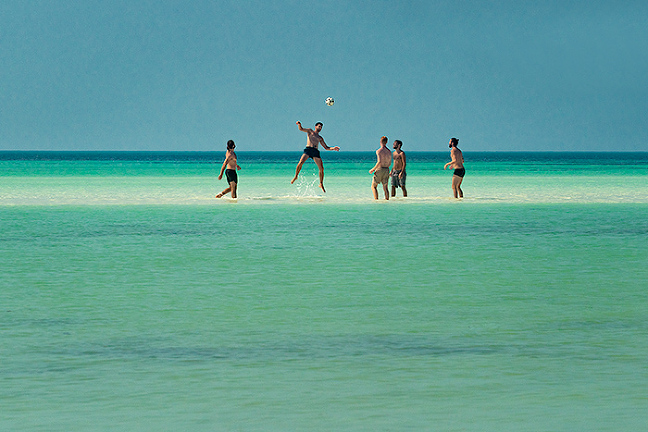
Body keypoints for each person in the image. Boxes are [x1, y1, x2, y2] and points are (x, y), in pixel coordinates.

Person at [291, 121, 340, 192]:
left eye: (321, 127)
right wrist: (299, 124)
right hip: (308, 149)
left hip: (315, 151)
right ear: (315, 126)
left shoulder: (320, 138)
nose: (320, 128)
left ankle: (321, 183)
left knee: (321, 168)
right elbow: (301, 129)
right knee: (300, 162)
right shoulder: (310, 131)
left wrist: (333, 148)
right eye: (319, 126)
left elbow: (326, 147)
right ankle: (296, 176)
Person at [369, 136, 393, 200]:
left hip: (380, 169)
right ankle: (387, 200)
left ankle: (376, 200)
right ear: (386, 142)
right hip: (386, 169)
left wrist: (373, 169)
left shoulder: (379, 151)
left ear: (380, 142)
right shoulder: (389, 151)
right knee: (385, 187)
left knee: (373, 186)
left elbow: (379, 161)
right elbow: (390, 163)